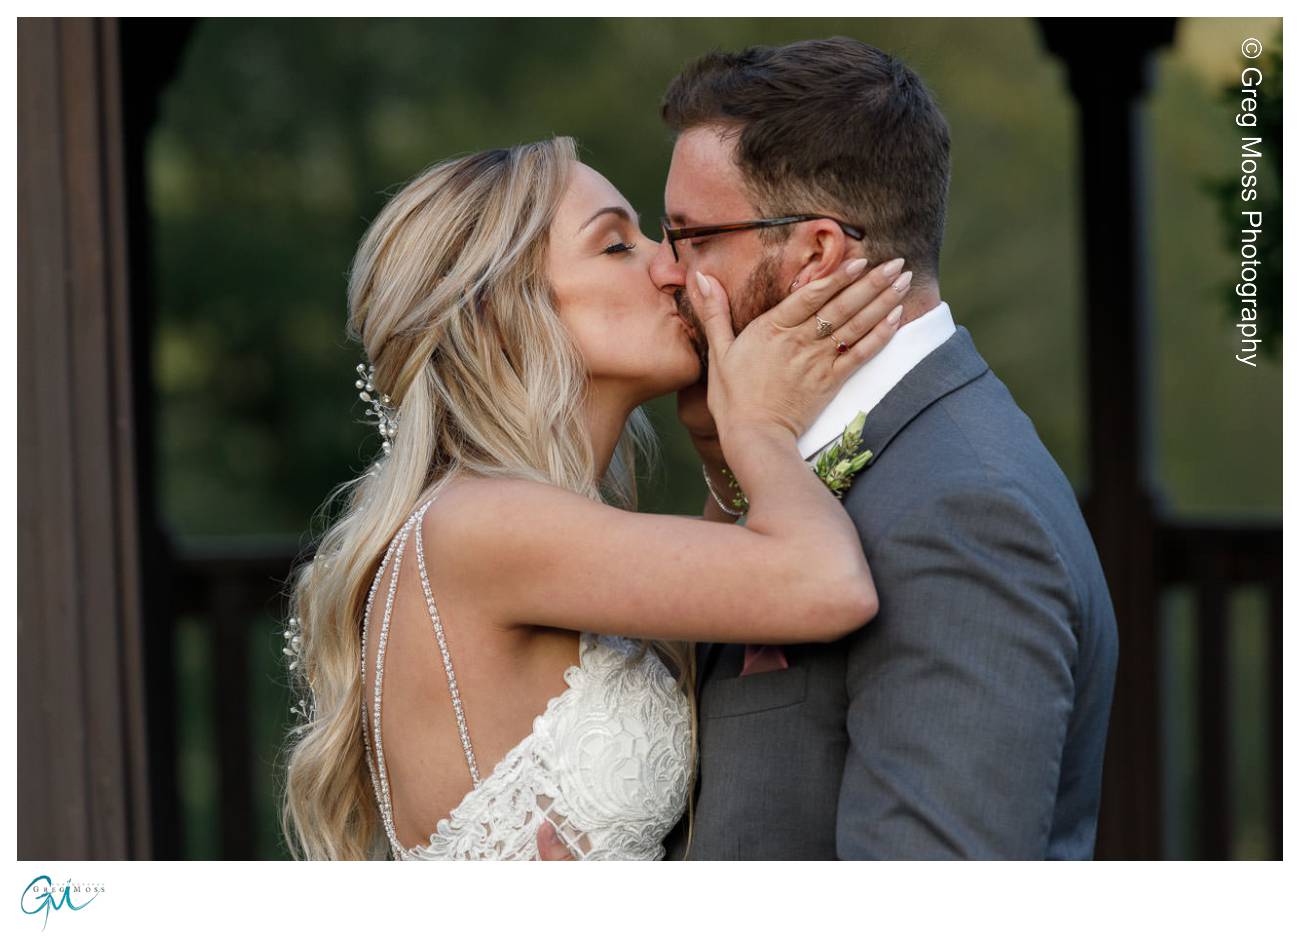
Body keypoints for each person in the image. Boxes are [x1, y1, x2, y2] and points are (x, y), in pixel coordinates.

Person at [277, 136, 911, 859]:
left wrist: (715, 443)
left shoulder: (505, 522)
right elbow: (825, 584)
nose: (673, 267)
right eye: (616, 245)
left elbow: (725, 621)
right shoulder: (488, 524)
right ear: (501, 311)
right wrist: (761, 426)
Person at [627, 37, 1116, 860]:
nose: (670, 273)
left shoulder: (968, 515)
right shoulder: (792, 450)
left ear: (816, 253)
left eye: (692, 236)